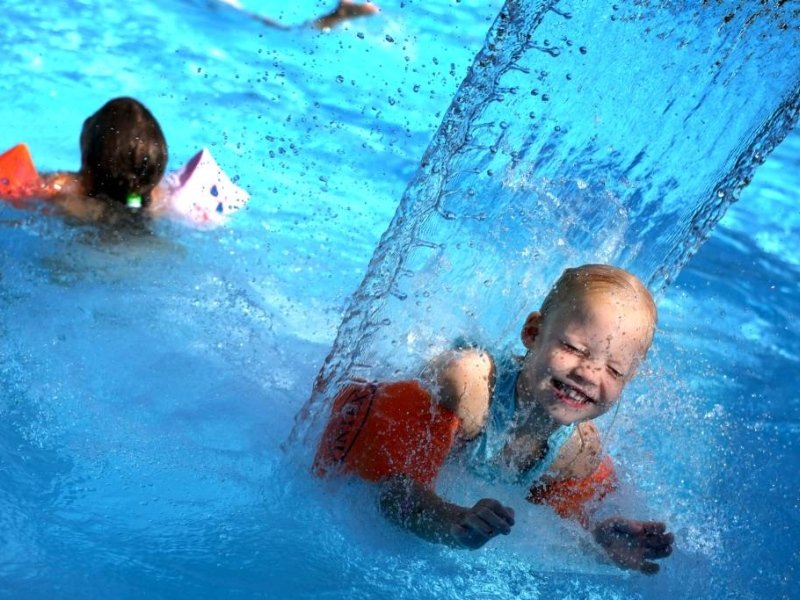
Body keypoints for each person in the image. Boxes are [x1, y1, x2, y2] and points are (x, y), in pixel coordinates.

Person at [313, 264, 674, 574]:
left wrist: (596, 543)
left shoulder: (577, 453)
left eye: (613, 370)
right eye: (574, 349)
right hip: (370, 422)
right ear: (533, 333)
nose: (589, 374)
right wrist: (451, 519)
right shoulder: (469, 388)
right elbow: (391, 494)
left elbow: (549, 534)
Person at [0, 96, 249, 228]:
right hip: (144, 251)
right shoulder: (159, 198)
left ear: (87, 158)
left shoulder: (62, 186)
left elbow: (17, 195)